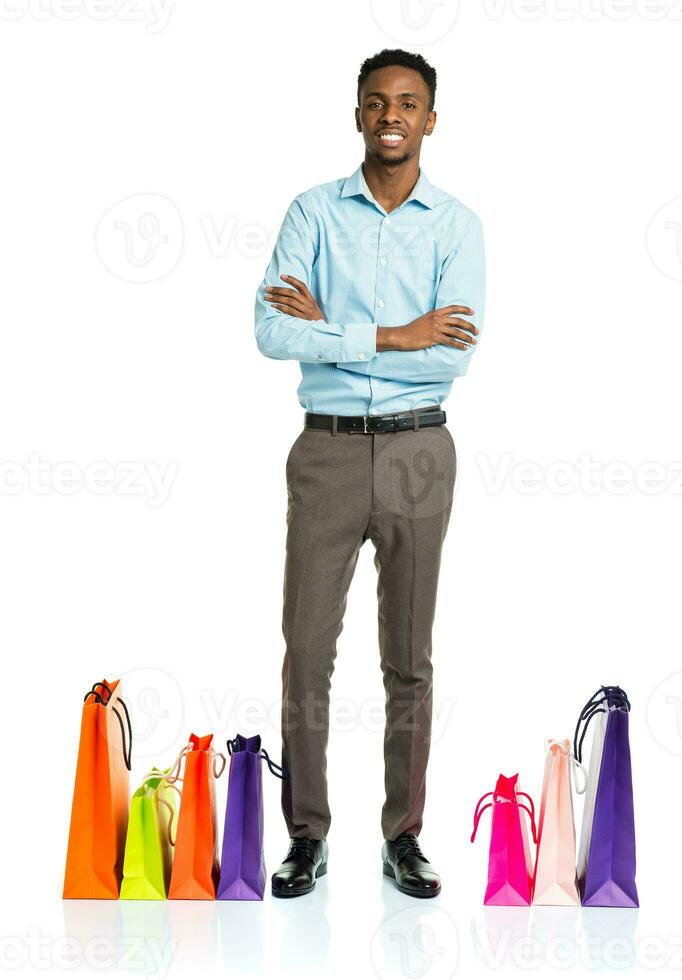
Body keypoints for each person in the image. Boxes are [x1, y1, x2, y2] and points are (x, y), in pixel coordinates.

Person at [254, 48, 486, 899]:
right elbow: (273, 332)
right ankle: (306, 836)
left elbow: (452, 357)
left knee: (408, 656)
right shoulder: (311, 212)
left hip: (422, 449)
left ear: (431, 119)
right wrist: (394, 335)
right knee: (307, 649)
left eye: (410, 102)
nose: (393, 114)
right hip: (327, 450)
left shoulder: (457, 226)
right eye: (378, 101)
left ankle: (404, 836)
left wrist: (338, 328)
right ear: (357, 114)